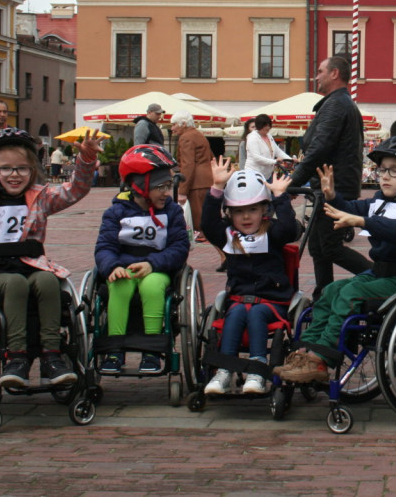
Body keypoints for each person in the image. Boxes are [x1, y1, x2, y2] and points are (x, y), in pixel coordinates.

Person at [0, 122, 102, 389]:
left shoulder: (41, 196)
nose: (15, 175)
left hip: (31, 265)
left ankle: (52, 355)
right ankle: (17, 356)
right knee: (15, 284)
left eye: (22, 168)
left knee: (48, 281)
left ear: (32, 170)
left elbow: (75, 190)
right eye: (6, 169)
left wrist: (87, 159)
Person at [275, 136, 396, 384]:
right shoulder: (380, 201)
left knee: (350, 293)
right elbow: (353, 208)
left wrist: (362, 221)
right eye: (382, 169)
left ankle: (322, 357)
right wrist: (332, 197)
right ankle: (305, 353)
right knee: (330, 291)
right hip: (381, 274)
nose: (385, 176)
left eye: (395, 171)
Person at [201, 159, 297, 395]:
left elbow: (290, 229)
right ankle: (225, 370)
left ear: (264, 210)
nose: (246, 217)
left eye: (253, 210)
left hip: (272, 299)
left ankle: (257, 369)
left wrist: (279, 196)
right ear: (229, 214)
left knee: (255, 312)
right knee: (234, 314)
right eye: (239, 212)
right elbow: (207, 224)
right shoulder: (228, 236)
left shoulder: (272, 232)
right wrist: (216, 189)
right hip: (238, 298)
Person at [93, 145, 190, 374]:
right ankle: (114, 350)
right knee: (120, 285)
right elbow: (104, 247)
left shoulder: (172, 212)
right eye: (161, 187)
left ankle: (152, 351)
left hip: (156, 267)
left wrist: (153, 264)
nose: (167, 192)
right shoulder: (116, 212)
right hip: (123, 267)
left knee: (152, 286)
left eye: (169, 185)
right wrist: (112, 267)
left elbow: (179, 247)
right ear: (139, 186)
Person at [289, 56, 371, 294]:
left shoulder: (336, 104)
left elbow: (319, 148)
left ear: (334, 73)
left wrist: (291, 183)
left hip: (332, 189)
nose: (316, 76)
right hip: (329, 187)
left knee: (330, 247)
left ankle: (381, 279)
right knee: (318, 247)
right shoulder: (339, 103)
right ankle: (322, 295)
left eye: (320, 71)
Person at [171, 111, 213, 243]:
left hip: (196, 183)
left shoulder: (186, 137)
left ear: (183, 124)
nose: (172, 128)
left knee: (202, 224)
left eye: (174, 125)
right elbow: (210, 157)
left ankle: (225, 257)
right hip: (206, 180)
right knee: (207, 220)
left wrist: (182, 191)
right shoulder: (198, 135)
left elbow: (188, 165)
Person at [243, 113, 293, 180]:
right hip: (254, 174)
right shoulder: (252, 138)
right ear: (259, 126)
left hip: (267, 174)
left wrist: (290, 160)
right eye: (265, 126)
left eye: (269, 125)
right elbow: (256, 157)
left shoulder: (269, 136)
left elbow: (277, 151)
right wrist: (274, 161)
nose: (268, 128)